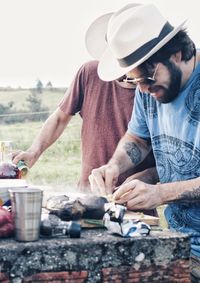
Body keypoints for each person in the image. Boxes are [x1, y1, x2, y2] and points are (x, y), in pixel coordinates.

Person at [87, 3, 200, 282]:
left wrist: (160, 193)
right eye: (135, 80)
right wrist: (114, 166)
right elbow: (138, 138)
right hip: (178, 244)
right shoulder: (148, 90)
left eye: (148, 79)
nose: (144, 90)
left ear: (176, 53)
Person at [12, 59, 157, 194]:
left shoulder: (157, 90)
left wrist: (148, 177)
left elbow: (172, 160)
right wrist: (33, 152)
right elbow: (59, 119)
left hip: (137, 198)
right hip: (87, 194)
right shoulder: (90, 72)